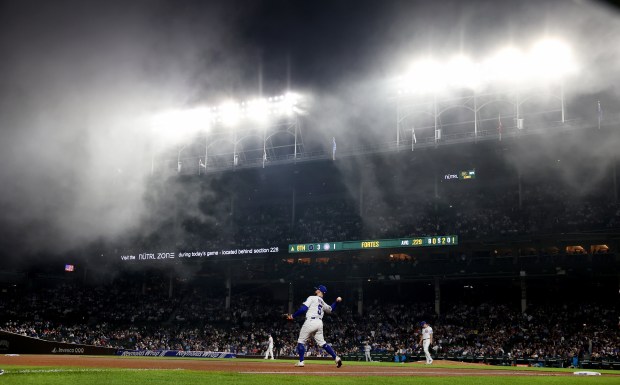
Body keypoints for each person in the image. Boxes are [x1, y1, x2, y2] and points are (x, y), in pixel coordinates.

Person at [287, 284, 342, 368]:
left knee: (301, 341)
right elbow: (331, 309)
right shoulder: (323, 302)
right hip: (319, 323)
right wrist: (336, 302)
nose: (315, 290)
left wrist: (292, 316)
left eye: (317, 289)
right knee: (322, 343)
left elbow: (303, 309)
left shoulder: (311, 297)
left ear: (319, 291)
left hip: (310, 321)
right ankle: (336, 358)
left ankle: (301, 361)